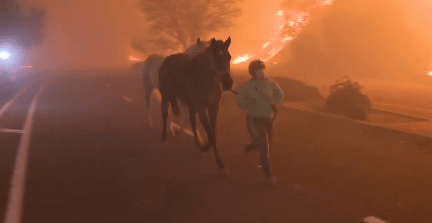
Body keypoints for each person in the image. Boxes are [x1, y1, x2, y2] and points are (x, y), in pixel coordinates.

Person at [236, 59, 284, 185]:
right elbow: (240, 100)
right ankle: (269, 176)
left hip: (268, 120)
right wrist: (247, 103)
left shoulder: (270, 83)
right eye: (258, 70)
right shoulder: (247, 86)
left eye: (262, 70)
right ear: (252, 73)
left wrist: (274, 102)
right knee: (264, 147)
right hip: (253, 120)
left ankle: (250, 146)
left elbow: (280, 95)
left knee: (265, 144)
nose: (261, 72)